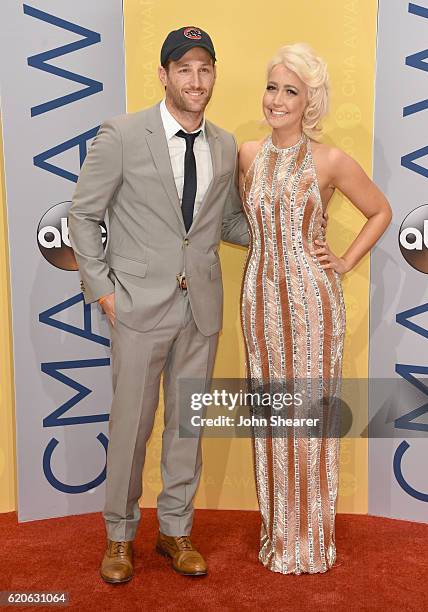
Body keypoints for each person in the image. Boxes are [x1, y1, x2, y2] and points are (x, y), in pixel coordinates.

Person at [68, 26, 249, 583]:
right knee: (131, 426)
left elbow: (228, 223)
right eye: (184, 69)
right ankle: (120, 536)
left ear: (214, 75)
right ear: (165, 75)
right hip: (137, 309)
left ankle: (175, 530)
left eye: (205, 69)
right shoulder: (122, 134)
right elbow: (82, 215)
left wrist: (285, 227)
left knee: (187, 427)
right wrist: (102, 291)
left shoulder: (224, 144)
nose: (196, 80)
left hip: (202, 309)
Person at [239, 43, 391, 574]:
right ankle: (278, 536)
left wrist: (345, 260)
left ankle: (312, 542)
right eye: (273, 87)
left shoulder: (330, 160)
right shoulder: (248, 155)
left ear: (310, 103)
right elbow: (249, 225)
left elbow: (380, 210)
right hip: (258, 302)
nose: (277, 99)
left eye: (291, 91)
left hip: (312, 305)